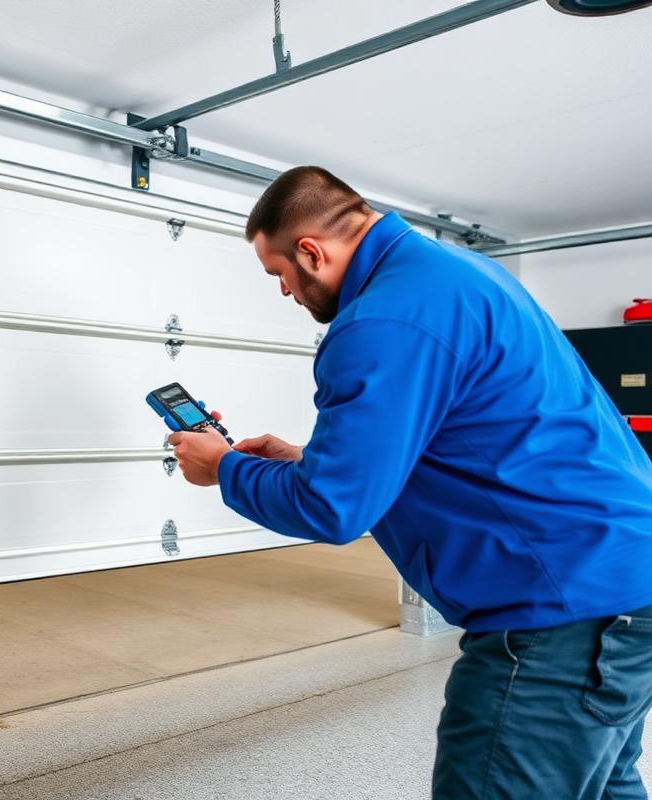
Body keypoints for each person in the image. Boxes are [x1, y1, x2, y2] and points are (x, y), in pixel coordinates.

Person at [168, 166, 652, 799]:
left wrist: (223, 467)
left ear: (311, 251)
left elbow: (330, 509)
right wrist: (307, 458)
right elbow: (466, 436)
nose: (284, 291)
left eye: (278, 273)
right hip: (624, 584)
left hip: (562, 613)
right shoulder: (463, 274)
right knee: (605, 785)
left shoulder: (380, 320)